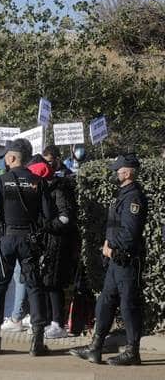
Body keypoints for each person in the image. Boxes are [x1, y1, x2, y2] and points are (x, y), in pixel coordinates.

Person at [70, 154, 147, 366]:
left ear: (128, 172)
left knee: (128, 304)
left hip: (126, 260)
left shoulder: (134, 198)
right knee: (105, 302)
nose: (115, 173)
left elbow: (130, 233)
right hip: (115, 259)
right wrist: (108, 243)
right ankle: (95, 348)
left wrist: (111, 247)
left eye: (118, 170)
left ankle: (133, 351)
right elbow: (115, 226)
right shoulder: (123, 194)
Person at [0, 139, 53, 356]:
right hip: (29, 241)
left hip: (6, 240)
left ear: (11, 158)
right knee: (34, 287)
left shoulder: (2, 181)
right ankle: (37, 341)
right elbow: (48, 216)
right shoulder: (38, 182)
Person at [27, 155, 77, 340]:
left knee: (53, 283)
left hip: (56, 242)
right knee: (45, 282)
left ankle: (58, 323)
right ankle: (49, 320)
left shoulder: (58, 189)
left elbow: (65, 217)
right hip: (46, 241)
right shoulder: (45, 188)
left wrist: (47, 226)